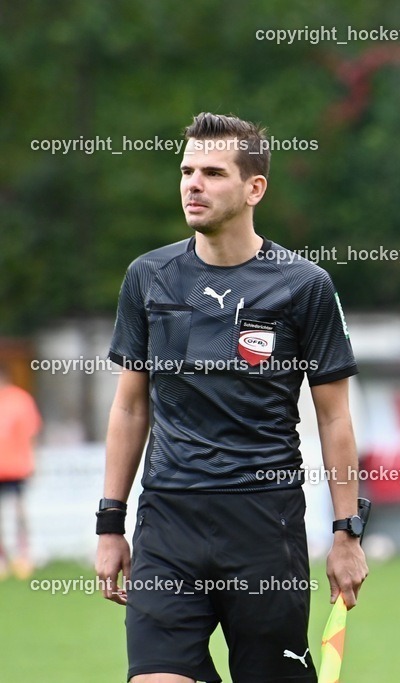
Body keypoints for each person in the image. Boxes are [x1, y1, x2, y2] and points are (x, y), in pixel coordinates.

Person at [94, 113, 368, 683]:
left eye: (213, 172)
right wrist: (110, 523)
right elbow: (130, 407)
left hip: (265, 524)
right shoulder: (149, 277)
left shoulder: (304, 285)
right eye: (187, 170)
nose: (193, 183)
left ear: (254, 188)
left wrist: (347, 532)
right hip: (169, 518)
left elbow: (335, 417)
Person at [0, 366, 42, 579]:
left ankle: (23, 556)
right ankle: (3, 560)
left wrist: (32, 461)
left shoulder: (20, 400)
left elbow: (31, 433)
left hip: (15, 466)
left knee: (19, 513)